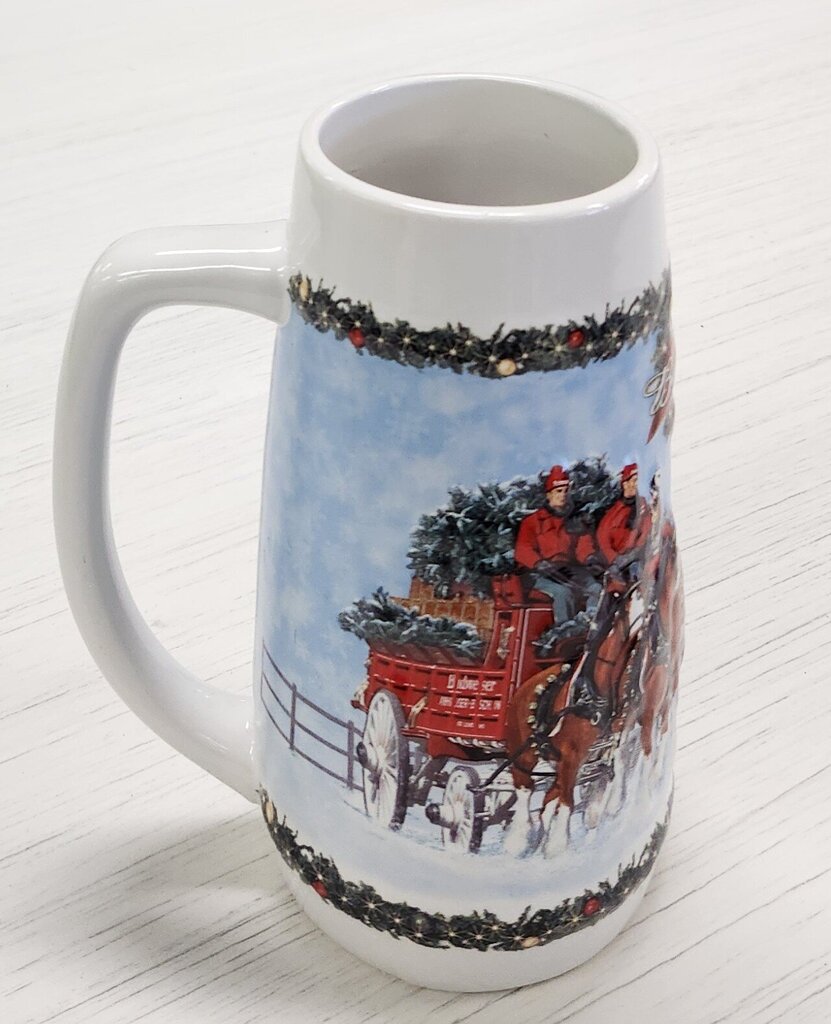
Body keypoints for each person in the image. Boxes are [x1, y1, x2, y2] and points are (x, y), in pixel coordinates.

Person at [514, 465, 596, 627]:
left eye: (566, 491)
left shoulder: (574, 521)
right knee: (563, 593)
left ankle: (592, 626)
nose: (563, 495)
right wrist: (540, 564)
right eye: (558, 491)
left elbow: (583, 544)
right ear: (549, 494)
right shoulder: (533, 521)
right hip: (540, 574)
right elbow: (523, 549)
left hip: (567, 570)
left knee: (596, 588)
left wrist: (590, 558)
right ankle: (565, 630)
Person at [596, 463, 652, 583]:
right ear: (625, 484)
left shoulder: (643, 506)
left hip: (639, 557)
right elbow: (603, 538)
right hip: (618, 563)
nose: (637, 484)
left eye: (638, 480)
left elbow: (647, 529)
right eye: (634, 480)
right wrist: (614, 559)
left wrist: (636, 551)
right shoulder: (614, 513)